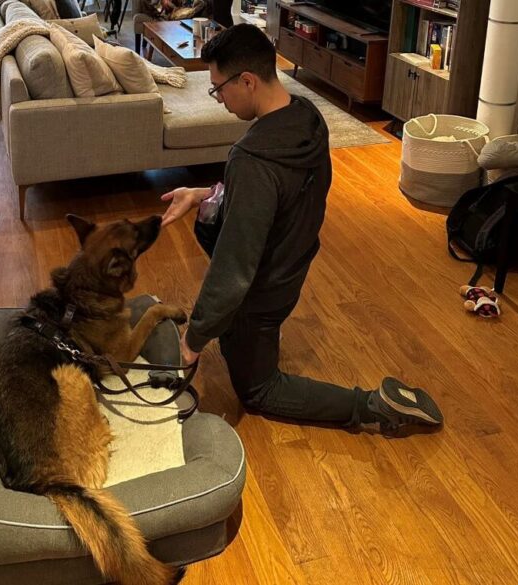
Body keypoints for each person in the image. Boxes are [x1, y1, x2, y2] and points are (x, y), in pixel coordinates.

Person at [160, 24, 444, 433]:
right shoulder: (307, 117)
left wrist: (193, 341)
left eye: (218, 88)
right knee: (234, 335)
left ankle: (375, 407)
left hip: (261, 292)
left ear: (247, 81)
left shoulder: (253, 159)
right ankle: (241, 332)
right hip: (291, 269)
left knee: (259, 392)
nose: (218, 98)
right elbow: (278, 199)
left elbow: (233, 270)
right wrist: (203, 192)